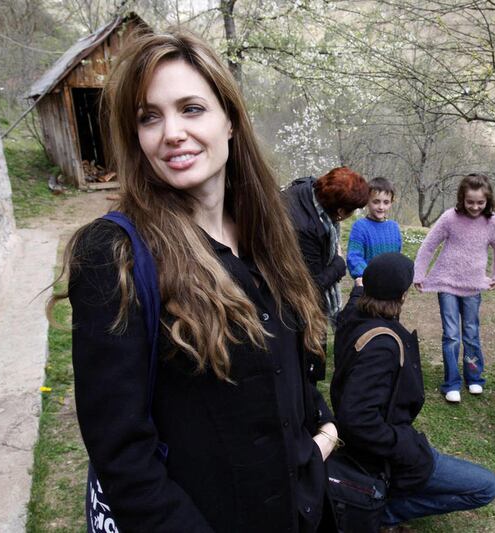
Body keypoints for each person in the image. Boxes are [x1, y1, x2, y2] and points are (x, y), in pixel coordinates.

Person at [54, 29, 339, 532]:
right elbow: (123, 456)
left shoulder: (269, 235)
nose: (171, 132)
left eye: (191, 108)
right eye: (149, 117)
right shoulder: (114, 255)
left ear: (229, 121)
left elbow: (287, 365)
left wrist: (319, 431)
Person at [331, 253, 495, 530]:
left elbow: (354, 302)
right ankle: (383, 510)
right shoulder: (383, 345)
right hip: (387, 453)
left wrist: (360, 287)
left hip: (378, 447)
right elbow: (357, 418)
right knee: (485, 486)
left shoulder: (351, 320)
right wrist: (403, 445)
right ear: (403, 295)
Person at [413, 174, 495, 403]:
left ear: (488, 200)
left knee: (471, 333)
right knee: (451, 335)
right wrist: (419, 272)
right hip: (446, 283)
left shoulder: (493, 222)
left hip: (473, 286)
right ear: (462, 199)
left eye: (480, 202)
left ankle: (474, 377)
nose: (475, 207)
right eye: (470, 202)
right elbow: (429, 245)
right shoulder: (450, 218)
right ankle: (452, 382)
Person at [284, 167, 369, 382]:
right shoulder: (306, 229)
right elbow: (311, 287)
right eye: (352, 210)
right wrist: (339, 264)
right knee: (306, 367)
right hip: (297, 308)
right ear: (340, 211)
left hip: (294, 294)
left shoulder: (308, 187)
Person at [346, 177, 403, 286]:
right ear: (367, 201)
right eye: (376, 202)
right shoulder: (360, 227)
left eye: (386, 202)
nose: (381, 207)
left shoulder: (394, 227)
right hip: (368, 286)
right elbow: (354, 257)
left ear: (391, 203)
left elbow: (397, 258)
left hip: (391, 285)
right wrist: (368, 276)